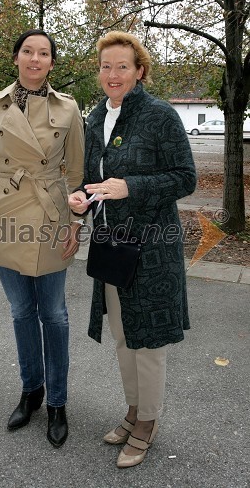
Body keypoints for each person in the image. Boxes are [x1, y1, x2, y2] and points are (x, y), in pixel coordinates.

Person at [68, 31, 196, 468]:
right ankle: (133, 410)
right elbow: (90, 178)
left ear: (140, 71)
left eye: (123, 66)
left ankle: (148, 422)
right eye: (106, 66)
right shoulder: (94, 117)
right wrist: (80, 199)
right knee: (124, 337)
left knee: (149, 341)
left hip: (152, 249)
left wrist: (132, 187)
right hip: (111, 245)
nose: (113, 74)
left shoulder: (160, 116)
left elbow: (185, 177)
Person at [0, 29, 84, 448]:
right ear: (16, 58)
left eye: (44, 53)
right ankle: (31, 392)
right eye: (28, 52)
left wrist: (75, 222)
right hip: (5, 217)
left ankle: (58, 403)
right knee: (20, 311)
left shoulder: (69, 108)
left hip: (51, 216)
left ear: (52, 62)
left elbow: (76, 174)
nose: (35, 59)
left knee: (53, 315)